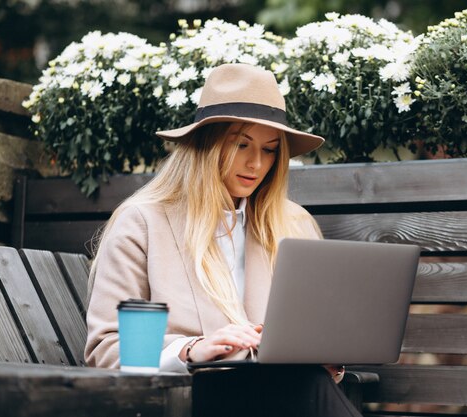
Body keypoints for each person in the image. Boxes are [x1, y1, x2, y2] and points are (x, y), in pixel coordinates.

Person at [85, 63, 363, 417]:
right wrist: (191, 350)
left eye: (269, 149)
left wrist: (327, 356)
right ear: (207, 144)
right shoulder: (143, 222)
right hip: (185, 398)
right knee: (306, 388)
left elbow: (314, 332)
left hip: (283, 393)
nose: (256, 164)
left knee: (308, 382)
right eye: (241, 144)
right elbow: (106, 349)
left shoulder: (292, 224)